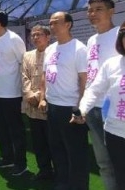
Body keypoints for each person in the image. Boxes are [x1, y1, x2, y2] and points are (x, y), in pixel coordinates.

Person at [70, 0, 118, 190]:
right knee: (104, 163)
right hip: (93, 109)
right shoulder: (91, 41)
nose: (93, 14)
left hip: (116, 111)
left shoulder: (119, 35)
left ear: (111, 11)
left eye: (99, 9)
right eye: (90, 10)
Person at [39, 12, 89, 190]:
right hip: (52, 106)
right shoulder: (51, 49)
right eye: (50, 23)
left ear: (68, 25)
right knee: (56, 147)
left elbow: (84, 80)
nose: (52, 26)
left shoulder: (79, 48)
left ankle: (77, 186)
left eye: (56, 23)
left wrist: (80, 109)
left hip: (70, 108)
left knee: (75, 151)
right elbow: (45, 75)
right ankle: (62, 183)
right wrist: (43, 97)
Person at [77, 21, 125, 190]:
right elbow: (94, 90)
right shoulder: (112, 64)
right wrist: (82, 109)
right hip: (114, 132)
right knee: (120, 175)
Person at [0, 10, 28, 176]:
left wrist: (24, 91)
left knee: (15, 130)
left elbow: (23, 64)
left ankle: (20, 163)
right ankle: (7, 158)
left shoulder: (14, 39)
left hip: (11, 93)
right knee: (1, 128)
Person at [21, 25, 54, 180]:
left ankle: (59, 173)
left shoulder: (54, 53)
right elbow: (24, 76)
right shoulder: (27, 55)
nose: (35, 38)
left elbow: (53, 78)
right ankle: (44, 171)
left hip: (48, 104)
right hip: (31, 105)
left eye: (39, 34)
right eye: (33, 35)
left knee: (53, 142)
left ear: (48, 37)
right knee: (38, 142)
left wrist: (40, 95)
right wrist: (29, 94)